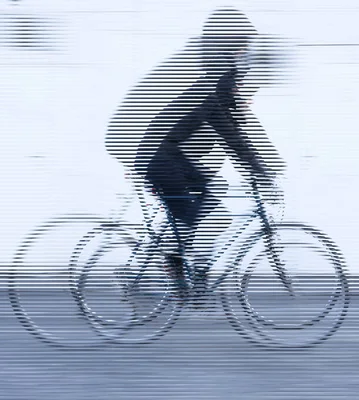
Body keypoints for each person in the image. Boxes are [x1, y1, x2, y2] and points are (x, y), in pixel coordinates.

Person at [106, 8, 286, 307]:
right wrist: (260, 170)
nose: (245, 61)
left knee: (213, 201)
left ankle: (197, 275)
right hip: (157, 157)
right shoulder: (210, 89)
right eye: (241, 51)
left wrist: (260, 165)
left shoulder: (217, 87)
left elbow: (238, 132)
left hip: (169, 154)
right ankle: (174, 271)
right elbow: (233, 138)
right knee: (189, 217)